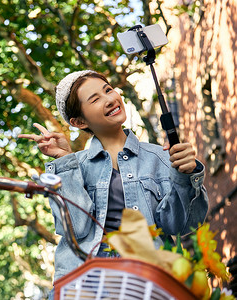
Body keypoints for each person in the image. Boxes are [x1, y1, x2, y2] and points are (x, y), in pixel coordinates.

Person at [18, 70, 209, 296]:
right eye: (95, 99)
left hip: (146, 277)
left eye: (108, 90)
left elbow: (180, 225)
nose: (110, 99)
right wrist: (64, 161)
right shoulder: (72, 165)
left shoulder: (160, 157)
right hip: (86, 280)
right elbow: (76, 228)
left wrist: (185, 175)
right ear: (78, 121)